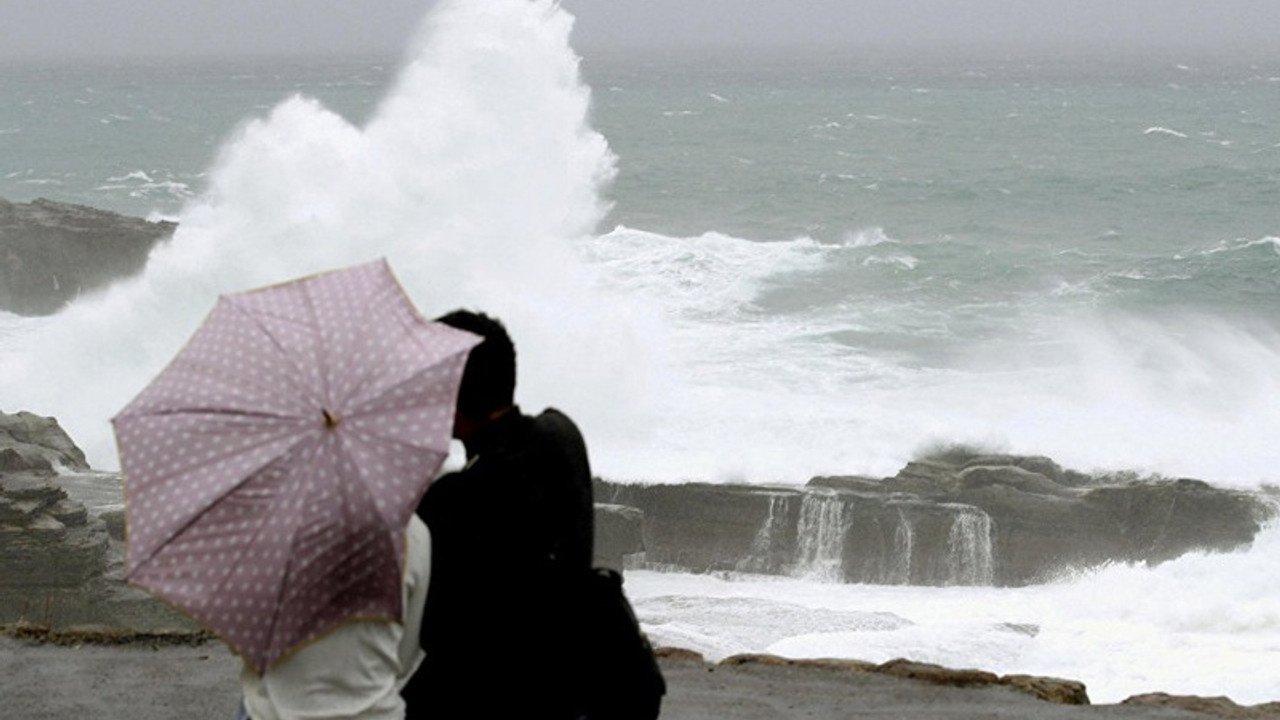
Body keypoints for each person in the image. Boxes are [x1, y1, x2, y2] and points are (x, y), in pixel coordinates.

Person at [401, 310, 594, 719]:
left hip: (480, 700)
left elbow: (429, 632)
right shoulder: (562, 436)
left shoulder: (453, 502)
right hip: (563, 688)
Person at [236, 514, 431, 720]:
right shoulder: (411, 531)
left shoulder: (269, 525)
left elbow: (241, 634)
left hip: (273, 712)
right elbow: (402, 658)